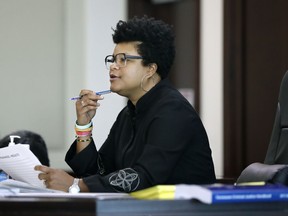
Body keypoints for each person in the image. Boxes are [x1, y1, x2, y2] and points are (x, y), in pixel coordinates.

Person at [35, 15, 216, 193]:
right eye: (113, 60)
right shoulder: (128, 113)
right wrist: (84, 126)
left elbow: (145, 176)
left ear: (150, 69)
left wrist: (76, 185)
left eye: (124, 59)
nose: (114, 66)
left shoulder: (173, 111)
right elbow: (98, 171)